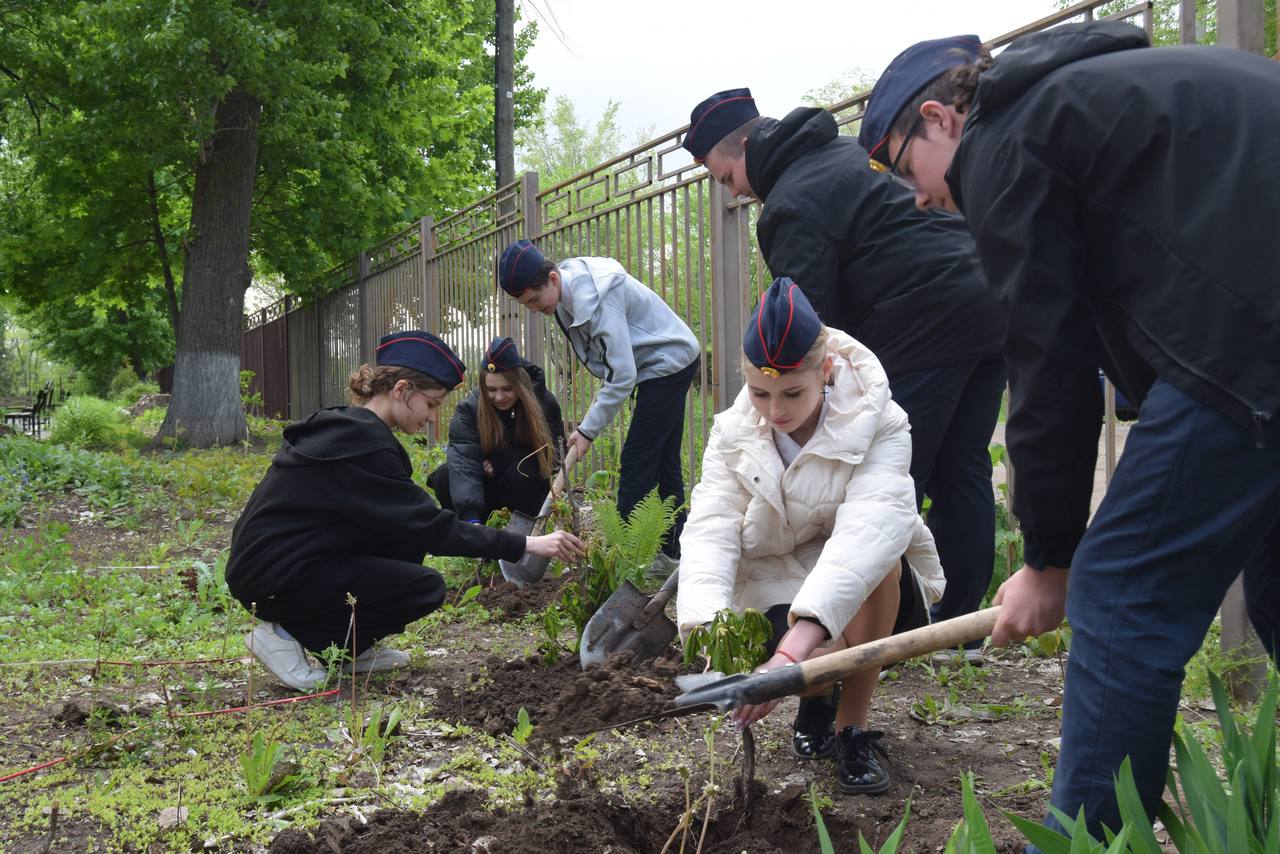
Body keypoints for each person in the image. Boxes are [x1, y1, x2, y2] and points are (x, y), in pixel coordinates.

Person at [859, 24, 1280, 840]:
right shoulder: (1088, 103)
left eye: (901, 163)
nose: (914, 194)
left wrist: (1051, 562)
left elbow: (1046, 361)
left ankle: (1085, 840)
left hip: (1250, 343)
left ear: (944, 120)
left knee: (1120, 592)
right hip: (1251, 330)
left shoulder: (1008, 143)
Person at [683, 87, 1005, 665]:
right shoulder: (849, 157)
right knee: (963, 470)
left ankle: (866, 636)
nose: (728, 188)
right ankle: (958, 633)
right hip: (987, 303)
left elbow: (807, 333)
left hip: (923, 322)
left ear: (748, 145)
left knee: (882, 484)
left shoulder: (792, 204)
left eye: (723, 172)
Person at [677, 277, 945, 795]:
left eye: (792, 392)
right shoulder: (733, 432)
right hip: (776, 577)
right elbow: (711, 528)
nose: (776, 410)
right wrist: (709, 635)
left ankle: (851, 728)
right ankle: (815, 701)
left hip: (868, 583)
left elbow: (869, 534)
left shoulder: (881, 421)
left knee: (878, 566)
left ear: (825, 371)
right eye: (760, 392)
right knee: (817, 665)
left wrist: (787, 656)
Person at [226, 331, 585, 691]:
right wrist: (527, 544)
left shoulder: (353, 431)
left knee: (406, 544)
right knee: (424, 588)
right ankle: (280, 632)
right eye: (431, 404)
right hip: (273, 578)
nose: (432, 418)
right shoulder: (359, 444)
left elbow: (412, 523)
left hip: (283, 563)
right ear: (401, 390)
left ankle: (350, 648)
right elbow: (435, 529)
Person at [498, 239, 701, 558]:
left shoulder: (598, 298)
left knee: (638, 460)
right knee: (664, 461)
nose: (536, 309)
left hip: (668, 360)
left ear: (553, 278)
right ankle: (672, 553)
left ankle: (627, 558)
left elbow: (622, 375)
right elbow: (612, 363)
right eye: (528, 306)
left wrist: (588, 430)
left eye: (536, 300)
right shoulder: (565, 294)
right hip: (659, 362)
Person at [427, 336, 565, 524]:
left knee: (519, 472)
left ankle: (522, 532)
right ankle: (471, 531)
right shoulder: (470, 409)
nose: (499, 397)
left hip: (523, 491)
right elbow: (463, 459)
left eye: (507, 389)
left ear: (520, 384)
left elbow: (555, 456)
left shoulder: (543, 403)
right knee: (445, 475)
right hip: (484, 490)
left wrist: (504, 459)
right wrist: (471, 518)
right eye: (491, 390)